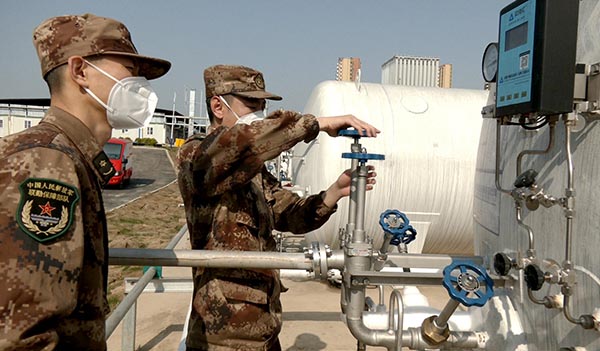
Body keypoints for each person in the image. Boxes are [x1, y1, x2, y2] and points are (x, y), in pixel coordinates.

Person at [177, 64, 379, 351]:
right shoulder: (198, 156)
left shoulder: (253, 170)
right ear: (217, 106)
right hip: (222, 334)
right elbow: (245, 142)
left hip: (264, 325)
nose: (259, 114)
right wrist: (315, 123)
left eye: (262, 105)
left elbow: (288, 215)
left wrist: (334, 193)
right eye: (250, 105)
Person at [0, 13, 170, 350]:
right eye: (130, 71)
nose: (139, 85)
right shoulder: (47, 161)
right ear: (80, 72)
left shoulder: (69, 154)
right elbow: (25, 335)